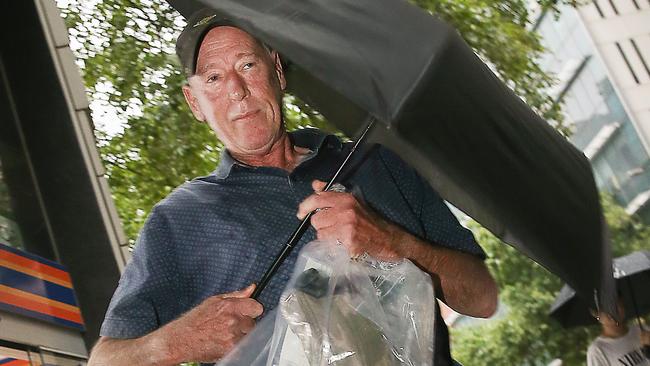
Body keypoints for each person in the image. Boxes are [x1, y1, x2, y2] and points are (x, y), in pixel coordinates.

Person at [88, 8, 498, 366]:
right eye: (213, 77)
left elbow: (481, 298)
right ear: (195, 103)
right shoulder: (178, 221)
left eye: (247, 65)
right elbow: (104, 360)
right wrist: (180, 341)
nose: (236, 89)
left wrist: (395, 244)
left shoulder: (374, 163)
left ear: (277, 70)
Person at [587, 300, 650, 366]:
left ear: (623, 306)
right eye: (604, 308)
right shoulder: (597, 350)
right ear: (596, 315)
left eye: (615, 306)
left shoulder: (643, 329)